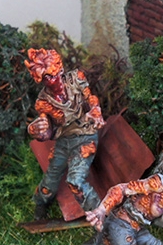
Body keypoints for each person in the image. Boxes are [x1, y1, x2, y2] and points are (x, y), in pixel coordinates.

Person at [25, 48, 105, 221]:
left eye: (52, 75)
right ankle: (41, 204)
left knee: (75, 181)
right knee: (50, 178)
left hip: (85, 136)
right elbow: (46, 132)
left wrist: (95, 110)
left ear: (59, 69)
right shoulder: (43, 101)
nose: (50, 81)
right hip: (64, 141)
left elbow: (90, 98)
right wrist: (35, 130)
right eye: (44, 78)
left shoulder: (76, 78)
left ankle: (100, 215)